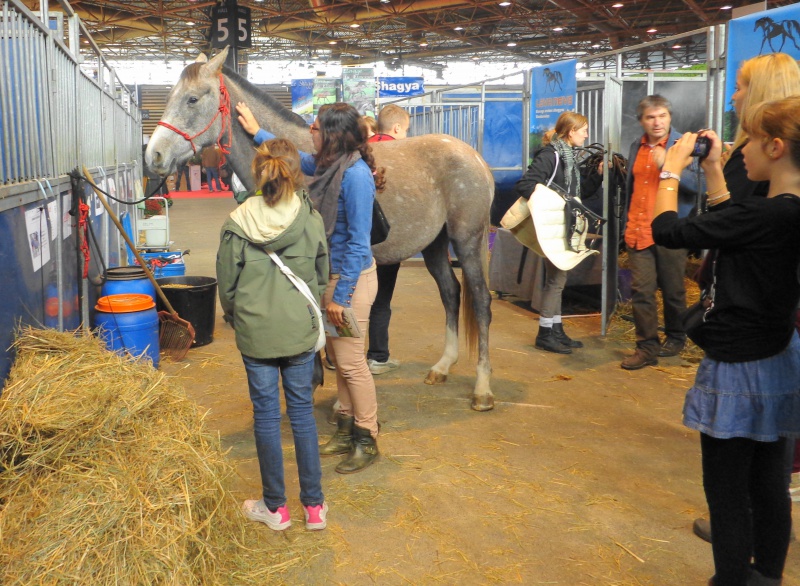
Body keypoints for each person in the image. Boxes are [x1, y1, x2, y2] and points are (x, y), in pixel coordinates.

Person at [652, 96, 800, 586]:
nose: (741, 151)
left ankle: (733, 579)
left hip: (739, 365)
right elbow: (735, 228)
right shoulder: (780, 212)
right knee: (767, 485)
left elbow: (668, 230)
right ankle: (767, 577)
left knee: (728, 492)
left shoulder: (764, 215)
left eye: (750, 141)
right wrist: (714, 170)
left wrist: (670, 171)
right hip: (777, 357)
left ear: (776, 147)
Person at [686, 53, 800, 544]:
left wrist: (673, 177)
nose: (732, 96)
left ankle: (740, 534)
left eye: (739, 87)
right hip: (768, 319)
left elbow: (726, 226)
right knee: (768, 440)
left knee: (745, 454)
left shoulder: (768, 174)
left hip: (752, 326)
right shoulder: (770, 165)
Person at [236, 100, 385, 474]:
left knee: (351, 364)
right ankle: (347, 424)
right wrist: (257, 132)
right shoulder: (327, 165)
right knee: (341, 361)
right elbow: (295, 158)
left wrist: (341, 295)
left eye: (316, 127)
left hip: (351, 281)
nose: (311, 133)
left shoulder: (355, 176)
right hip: (333, 280)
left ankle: (367, 436)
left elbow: (358, 243)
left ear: (333, 135)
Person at [216, 138, 330, 531]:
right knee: (302, 414)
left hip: (256, 334)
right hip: (299, 330)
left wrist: (236, 315)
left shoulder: (238, 221)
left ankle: (275, 508)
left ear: (258, 171)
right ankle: (314, 508)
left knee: (266, 416)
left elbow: (226, 285)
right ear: (295, 172)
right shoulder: (309, 217)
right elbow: (319, 274)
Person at [620, 95, 704, 370]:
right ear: (641, 121)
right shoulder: (637, 146)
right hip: (638, 228)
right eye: (650, 117)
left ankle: (676, 336)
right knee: (641, 291)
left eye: (662, 116)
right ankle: (646, 347)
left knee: (673, 289)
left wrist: (668, 165)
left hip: (670, 230)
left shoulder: (683, 146)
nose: (657, 122)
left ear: (670, 117)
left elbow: (696, 188)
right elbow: (632, 187)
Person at [513, 111, 603, 353]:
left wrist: (599, 174)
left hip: (563, 225)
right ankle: (545, 333)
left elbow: (578, 192)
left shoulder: (567, 157)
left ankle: (556, 329)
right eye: (583, 129)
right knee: (556, 280)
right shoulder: (551, 155)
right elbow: (526, 184)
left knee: (558, 279)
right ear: (571, 132)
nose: (586, 134)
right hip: (553, 226)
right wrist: (557, 201)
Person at [366, 104, 410, 374]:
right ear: (396, 128)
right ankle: (378, 356)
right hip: (385, 239)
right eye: (405, 131)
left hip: (356, 245)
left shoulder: (360, 151)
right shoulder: (401, 155)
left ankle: (337, 357)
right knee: (381, 301)